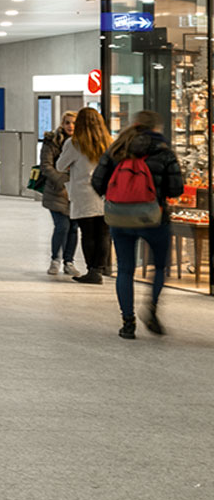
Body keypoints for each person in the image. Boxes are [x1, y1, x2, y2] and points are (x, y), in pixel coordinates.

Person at [93, 110, 187, 339]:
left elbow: (97, 181)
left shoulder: (116, 150)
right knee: (160, 267)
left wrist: (117, 197)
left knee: (125, 269)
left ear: (133, 124)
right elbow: (176, 189)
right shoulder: (164, 153)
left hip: (120, 218)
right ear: (156, 128)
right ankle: (152, 309)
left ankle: (128, 322)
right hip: (154, 218)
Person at [49, 108, 113, 285]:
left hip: (84, 193)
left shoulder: (74, 143)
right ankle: (99, 269)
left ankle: (92, 271)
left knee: (88, 234)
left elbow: (60, 166)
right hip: (106, 193)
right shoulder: (109, 142)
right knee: (104, 234)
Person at [37, 115, 77, 276]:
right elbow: (46, 166)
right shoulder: (51, 142)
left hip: (76, 191)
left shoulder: (82, 142)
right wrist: (62, 180)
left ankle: (69, 262)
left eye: (74, 123)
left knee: (73, 228)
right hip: (56, 190)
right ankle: (55, 260)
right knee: (62, 226)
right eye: (67, 123)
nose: (70, 126)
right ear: (62, 124)